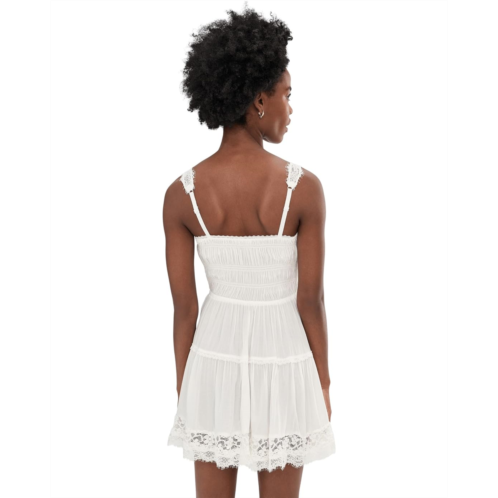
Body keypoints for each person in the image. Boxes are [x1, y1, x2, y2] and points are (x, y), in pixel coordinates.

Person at [163, 6, 336, 498]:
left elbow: (184, 310)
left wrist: (186, 388)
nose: (291, 109)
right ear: (259, 99)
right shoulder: (303, 189)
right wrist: (323, 381)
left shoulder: (181, 194)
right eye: (287, 95)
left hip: (211, 359)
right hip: (285, 358)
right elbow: (310, 301)